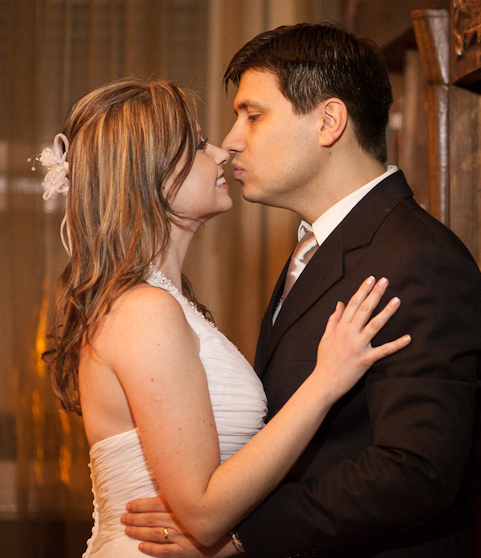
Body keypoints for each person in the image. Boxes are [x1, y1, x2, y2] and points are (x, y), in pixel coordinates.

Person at [124, 23, 481, 557]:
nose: (231, 140)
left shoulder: (419, 260)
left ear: (328, 122)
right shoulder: (322, 246)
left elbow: (416, 470)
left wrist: (240, 533)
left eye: (253, 115)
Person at [39, 77, 410, 558]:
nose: (220, 151)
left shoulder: (159, 300)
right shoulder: (144, 310)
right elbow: (204, 512)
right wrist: (326, 380)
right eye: (195, 144)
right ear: (148, 174)